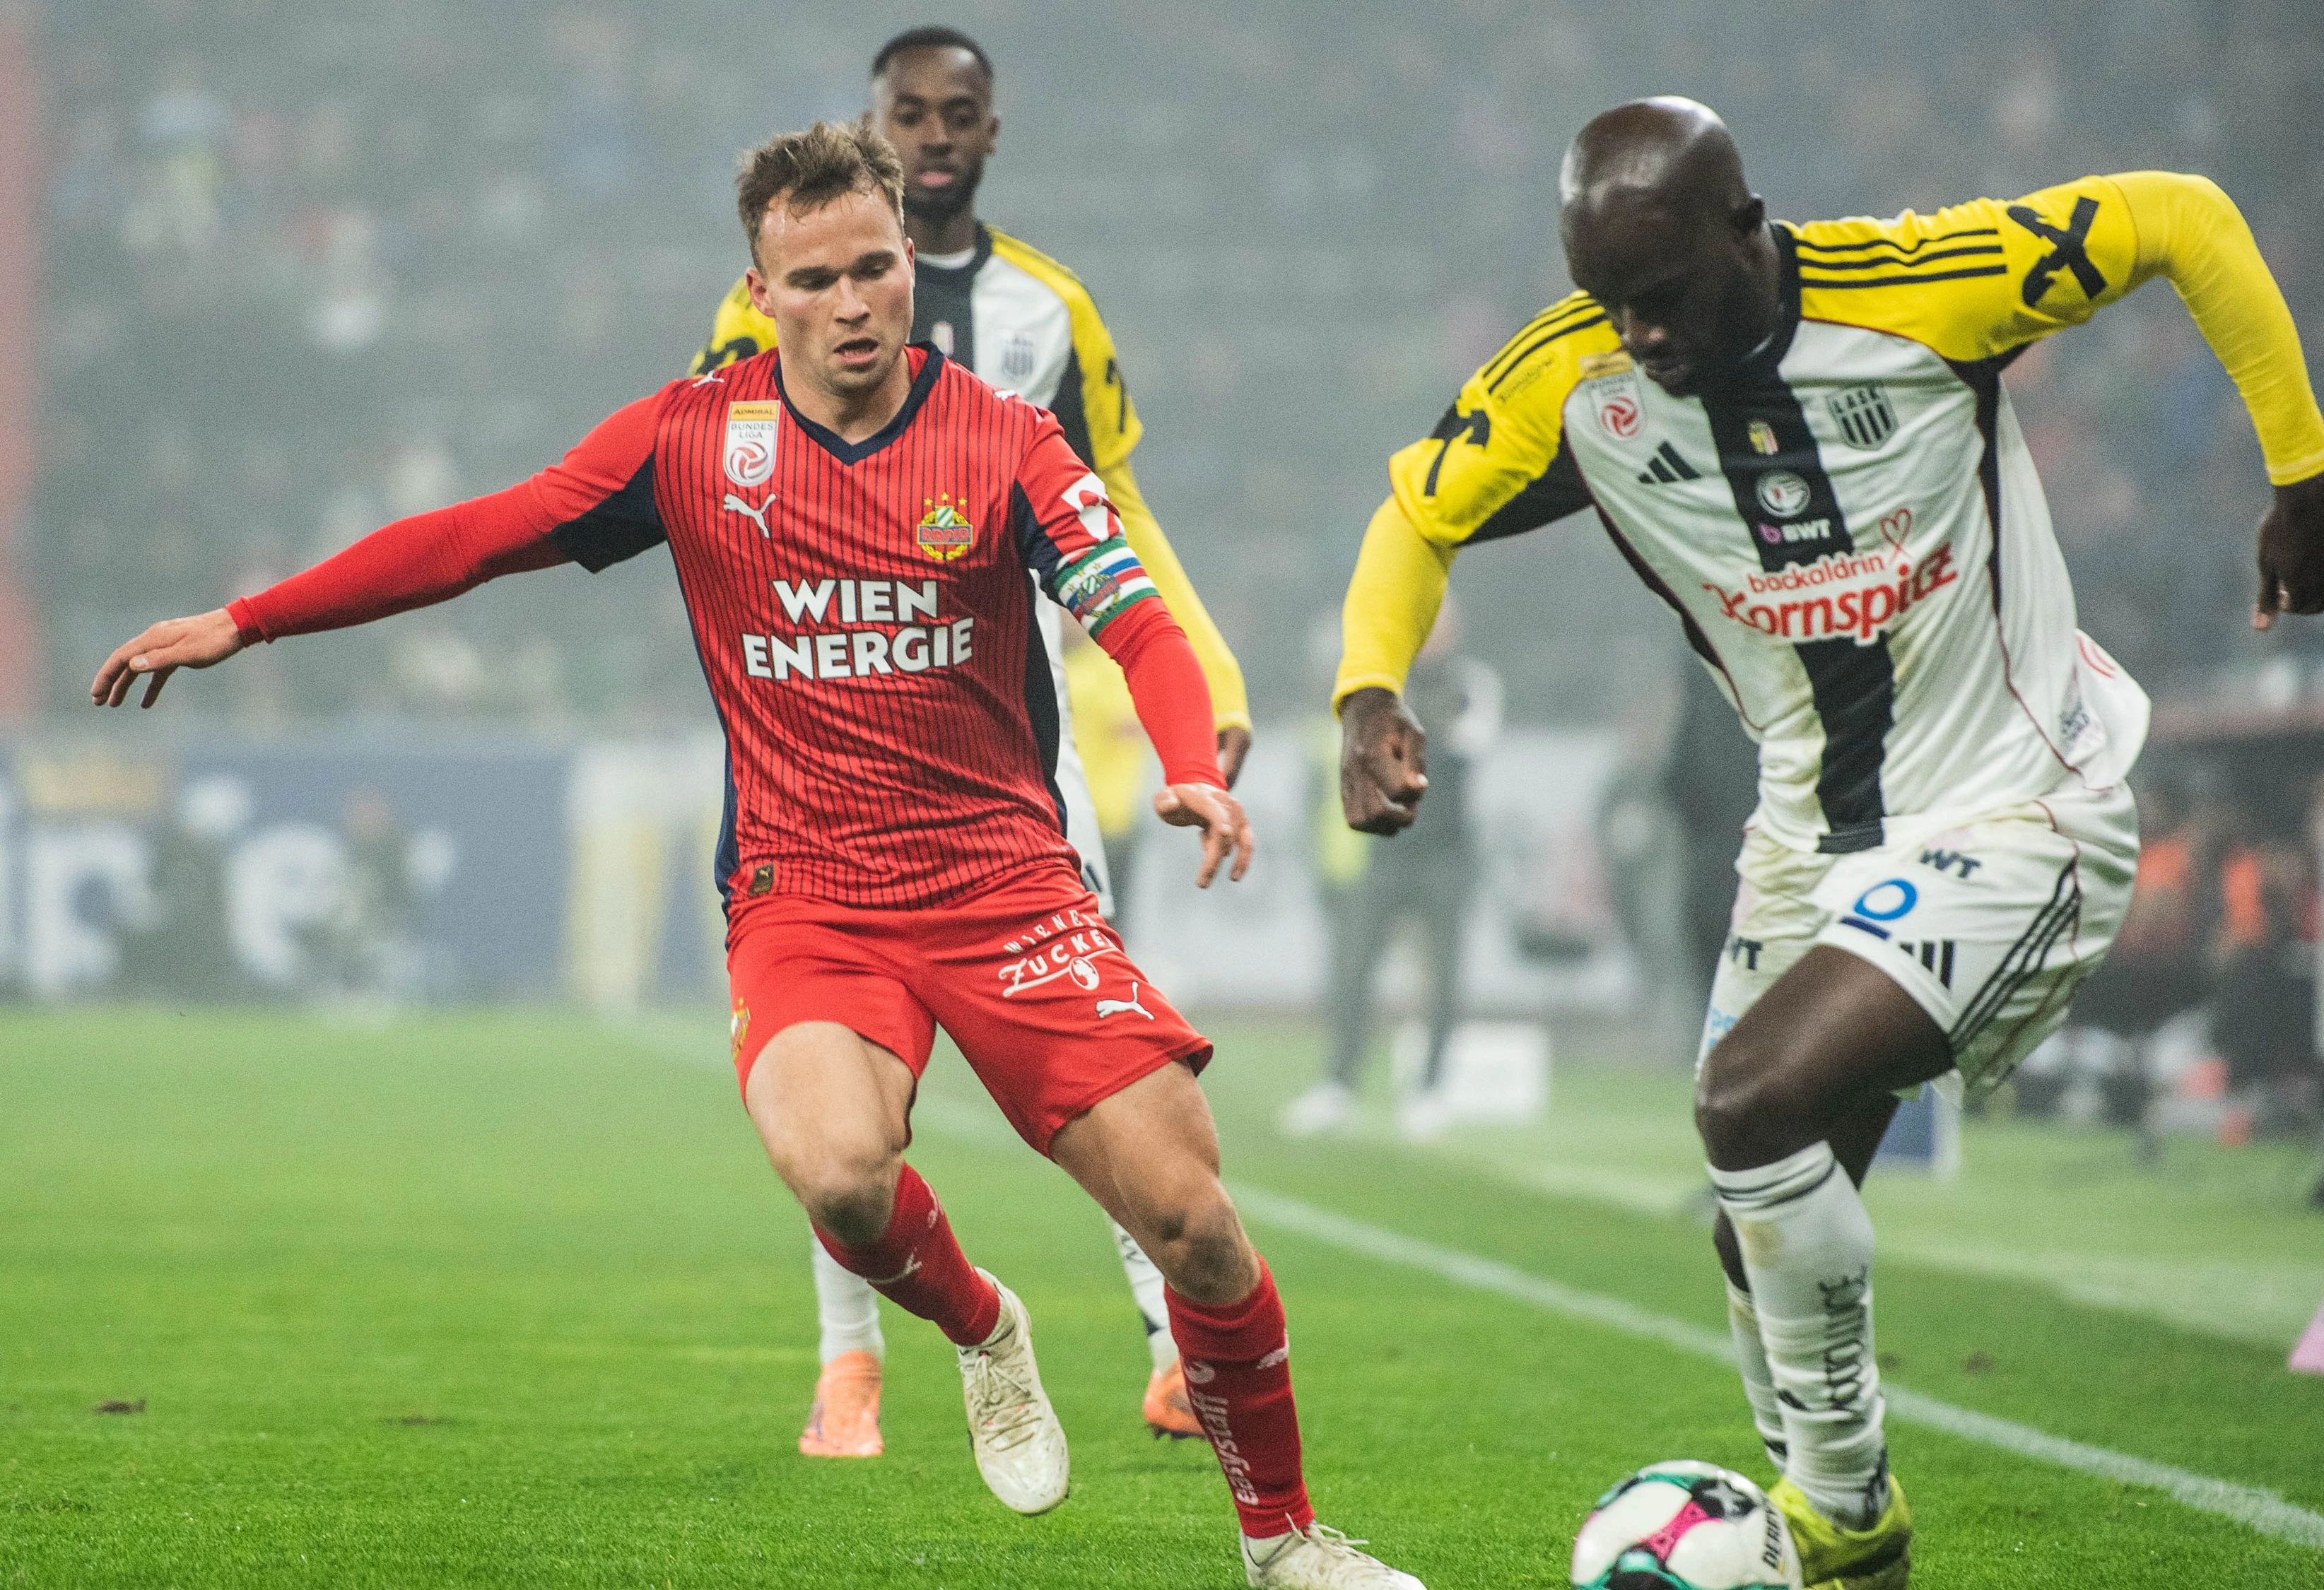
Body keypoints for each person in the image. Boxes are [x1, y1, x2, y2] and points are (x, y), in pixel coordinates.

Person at [90, 122, 1421, 1590]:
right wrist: (253, 617)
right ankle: (984, 1328)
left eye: (872, 269)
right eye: (815, 280)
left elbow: (1140, 618)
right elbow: (475, 537)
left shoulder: (1005, 438)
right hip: (811, 902)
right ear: (760, 291)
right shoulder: (686, 442)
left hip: (1004, 888)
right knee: (840, 1180)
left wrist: (1182, 760)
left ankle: (1285, 1547)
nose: (853, 304)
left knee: (1195, 1224)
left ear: (905, 261)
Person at [1331, 98, 2324, 1590]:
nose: (1642, 336)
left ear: (1747, 227)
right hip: (1808, 842)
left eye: (1664, 296)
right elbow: (1410, 518)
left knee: (1743, 1108)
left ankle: (1840, 1525)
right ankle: (1823, 1506)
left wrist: (2301, 473)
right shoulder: (1575, 381)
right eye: (1609, 304)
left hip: (2021, 811)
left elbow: (2181, 216)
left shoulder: (1924, 288)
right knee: (1754, 1236)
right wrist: (1368, 691)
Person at [691, 26, 1251, 1454]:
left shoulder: (1048, 312)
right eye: (909, 115)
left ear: (990, 133)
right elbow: (714, 476)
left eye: (958, 116)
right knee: (836, 1104)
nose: (934, 136)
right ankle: (851, 1360)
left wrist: (1205, 690)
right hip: (818, 738)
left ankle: (1170, 1341)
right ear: (876, 130)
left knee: (1096, 1067)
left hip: (1011, 751)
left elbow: (1112, 511)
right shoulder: (754, 301)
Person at [1282, 603, 1500, 1141]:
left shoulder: (1474, 683)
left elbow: (1454, 749)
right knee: (1357, 968)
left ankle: (1430, 1090)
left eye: (1441, 621)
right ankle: (1339, 1084)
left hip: (1446, 851)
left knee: (1443, 976)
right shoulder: (1387, 679)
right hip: (1388, 845)